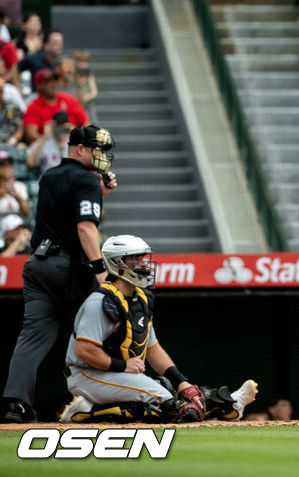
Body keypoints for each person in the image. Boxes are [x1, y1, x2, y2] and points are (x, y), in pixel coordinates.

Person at [59, 235, 258, 423]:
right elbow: (85, 350)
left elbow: (152, 349)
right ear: (117, 263)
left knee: (170, 388)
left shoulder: (140, 299)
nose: (144, 263)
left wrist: (182, 382)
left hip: (115, 374)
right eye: (135, 259)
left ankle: (227, 403)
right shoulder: (100, 302)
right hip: (86, 375)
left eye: (143, 258)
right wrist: (124, 366)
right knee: (166, 401)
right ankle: (222, 406)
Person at [0, 125, 118, 423]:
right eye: (96, 149)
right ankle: (110, 400)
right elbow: (86, 227)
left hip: (38, 265)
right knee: (104, 330)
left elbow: (77, 214)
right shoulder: (84, 180)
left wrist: (100, 191)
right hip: (68, 267)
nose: (102, 155)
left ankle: (16, 405)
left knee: (33, 337)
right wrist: (101, 273)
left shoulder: (50, 175)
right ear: (79, 148)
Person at [23, 68, 89, 144]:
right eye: (48, 82)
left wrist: (74, 133)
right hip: (47, 149)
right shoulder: (33, 107)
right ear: (39, 85)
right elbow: (31, 135)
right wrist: (50, 138)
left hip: (73, 145)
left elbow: (86, 124)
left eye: (54, 81)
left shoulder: (69, 100)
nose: (53, 84)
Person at [0, 151, 29, 219]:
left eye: (10, 163)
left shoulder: (20, 186)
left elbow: (26, 214)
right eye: (2, 163)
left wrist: (18, 199)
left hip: (17, 226)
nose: (7, 166)